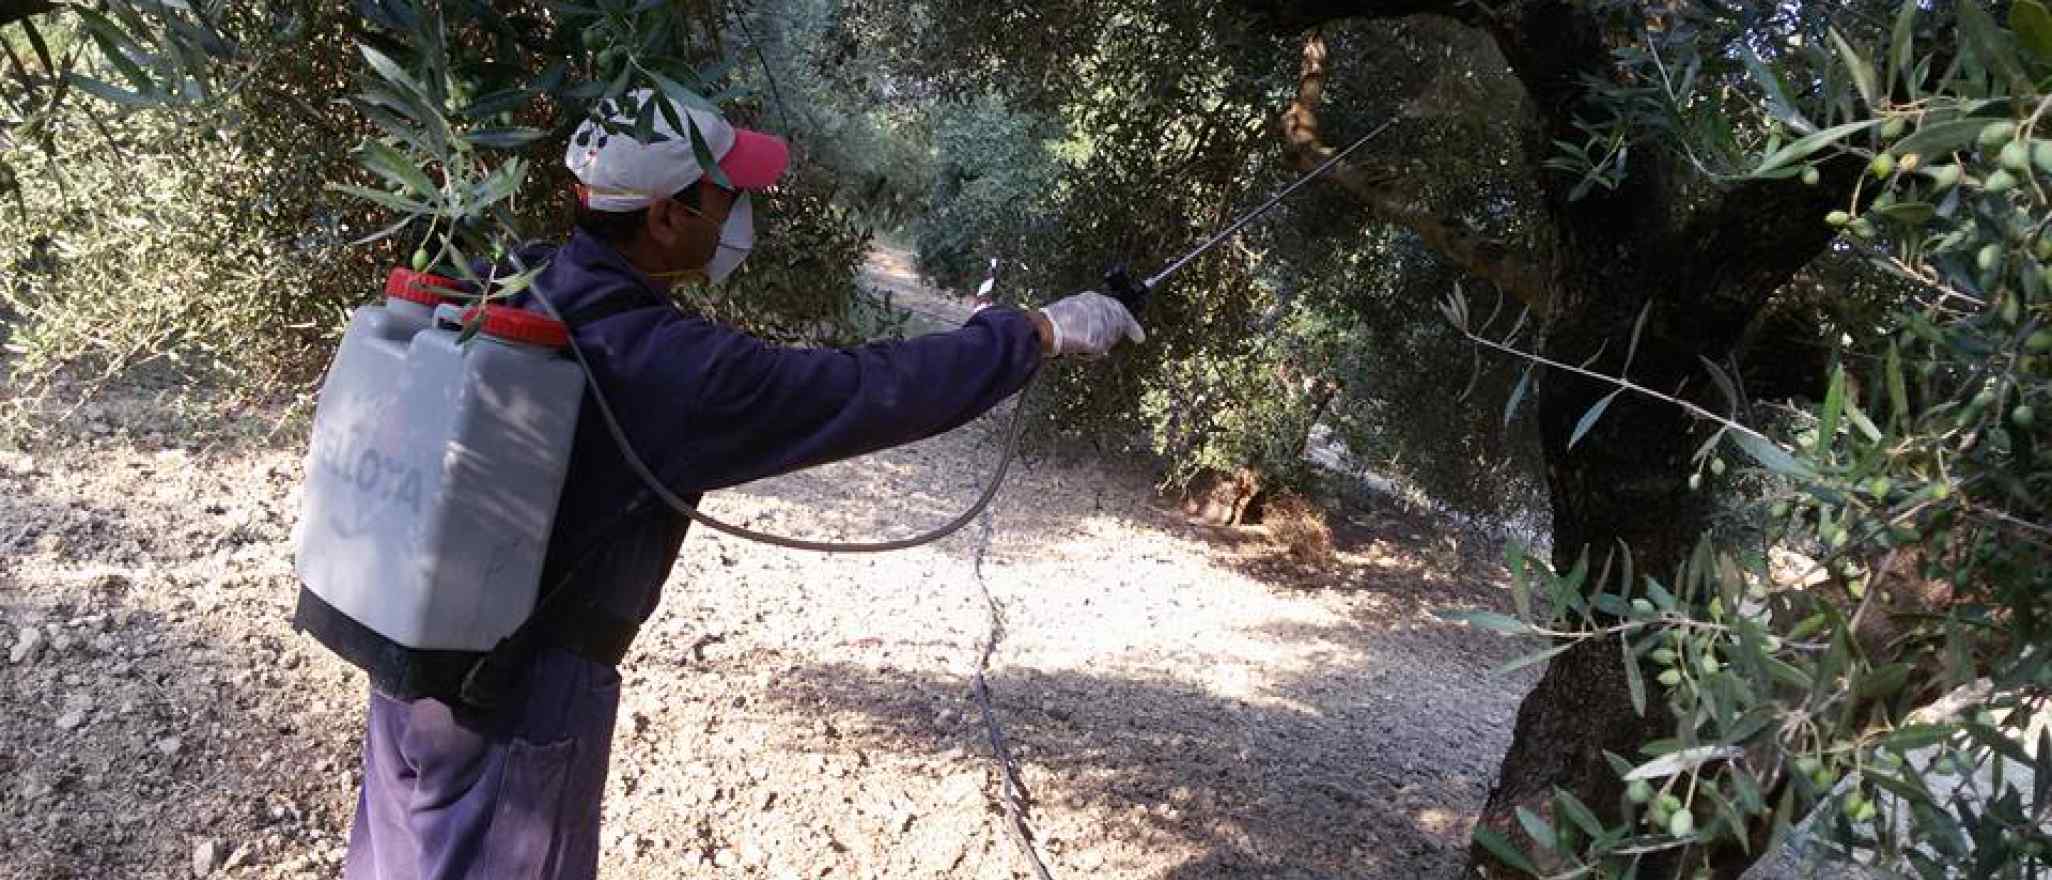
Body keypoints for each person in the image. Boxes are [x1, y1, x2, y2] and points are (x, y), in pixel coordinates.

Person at [341, 95, 1144, 880]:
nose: (739, 216)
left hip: (411, 659)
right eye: (726, 197)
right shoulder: (669, 367)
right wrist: (1036, 332)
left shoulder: (518, 277)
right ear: (665, 216)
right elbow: (866, 389)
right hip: (524, 697)